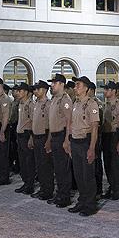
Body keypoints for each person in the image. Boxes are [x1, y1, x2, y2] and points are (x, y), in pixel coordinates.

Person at [65, 76, 100, 216]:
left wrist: (92, 148)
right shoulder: (75, 103)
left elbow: (95, 127)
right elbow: (71, 123)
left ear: (86, 88)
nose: (75, 87)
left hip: (86, 142)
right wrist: (68, 140)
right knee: (79, 175)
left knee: (88, 176)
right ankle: (82, 201)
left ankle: (90, 205)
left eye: (78, 85)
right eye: (75, 85)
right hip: (75, 141)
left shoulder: (92, 104)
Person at [47, 74, 74, 207]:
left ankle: (65, 197)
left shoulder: (65, 99)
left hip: (62, 136)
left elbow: (69, 121)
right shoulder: (54, 99)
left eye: (55, 83)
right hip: (55, 136)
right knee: (57, 169)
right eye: (52, 83)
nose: (52, 85)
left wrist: (67, 140)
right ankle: (59, 194)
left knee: (63, 168)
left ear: (62, 84)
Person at [30, 80, 53, 199]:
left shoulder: (49, 104)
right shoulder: (36, 104)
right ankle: (43, 188)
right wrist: (31, 137)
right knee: (39, 165)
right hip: (36, 136)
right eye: (34, 89)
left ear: (44, 90)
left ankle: (48, 191)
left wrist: (49, 141)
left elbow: (51, 125)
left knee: (46, 165)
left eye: (37, 89)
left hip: (45, 137)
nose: (35, 91)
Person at [101, 82, 119, 200]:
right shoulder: (106, 105)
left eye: (107, 89)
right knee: (108, 163)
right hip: (106, 136)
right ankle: (112, 186)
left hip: (115, 135)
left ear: (114, 91)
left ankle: (118, 189)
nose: (104, 91)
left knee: (116, 164)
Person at [14, 83, 36, 195]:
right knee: (22, 161)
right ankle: (25, 182)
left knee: (29, 161)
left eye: (20, 91)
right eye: (18, 91)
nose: (18, 93)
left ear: (26, 92)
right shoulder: (21, 104)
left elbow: (33, 121)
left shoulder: (31, 104)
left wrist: (31, 137)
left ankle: (30, 185)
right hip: (20, 135)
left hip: (27, 135)